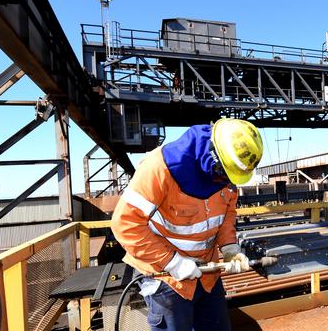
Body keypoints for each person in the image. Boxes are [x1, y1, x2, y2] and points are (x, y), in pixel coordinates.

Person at [111, 118, 263, 331]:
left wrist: (230, 248)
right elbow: (125, 224)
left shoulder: (226, 173)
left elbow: (226, 214)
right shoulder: (159, 168)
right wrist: (172, 262)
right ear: (213, 156)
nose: (228, 181)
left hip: (207, 274)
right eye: (224, 174)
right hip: (166, 278)